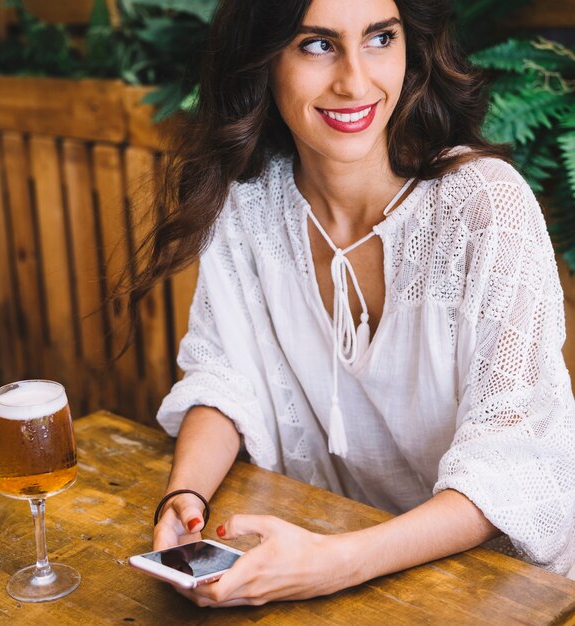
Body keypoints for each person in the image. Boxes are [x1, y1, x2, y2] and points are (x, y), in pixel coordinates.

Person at [131, 0, 575, 606]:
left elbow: (508, 466)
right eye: (317, 44)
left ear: (409, 49)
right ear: (261, 59)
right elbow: (224, 379)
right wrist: (184, 501)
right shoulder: (249, 206)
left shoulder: (485, 210)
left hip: (505, 588)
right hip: (328, 562)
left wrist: (337, 563)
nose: (356, 81)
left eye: (379, 38)